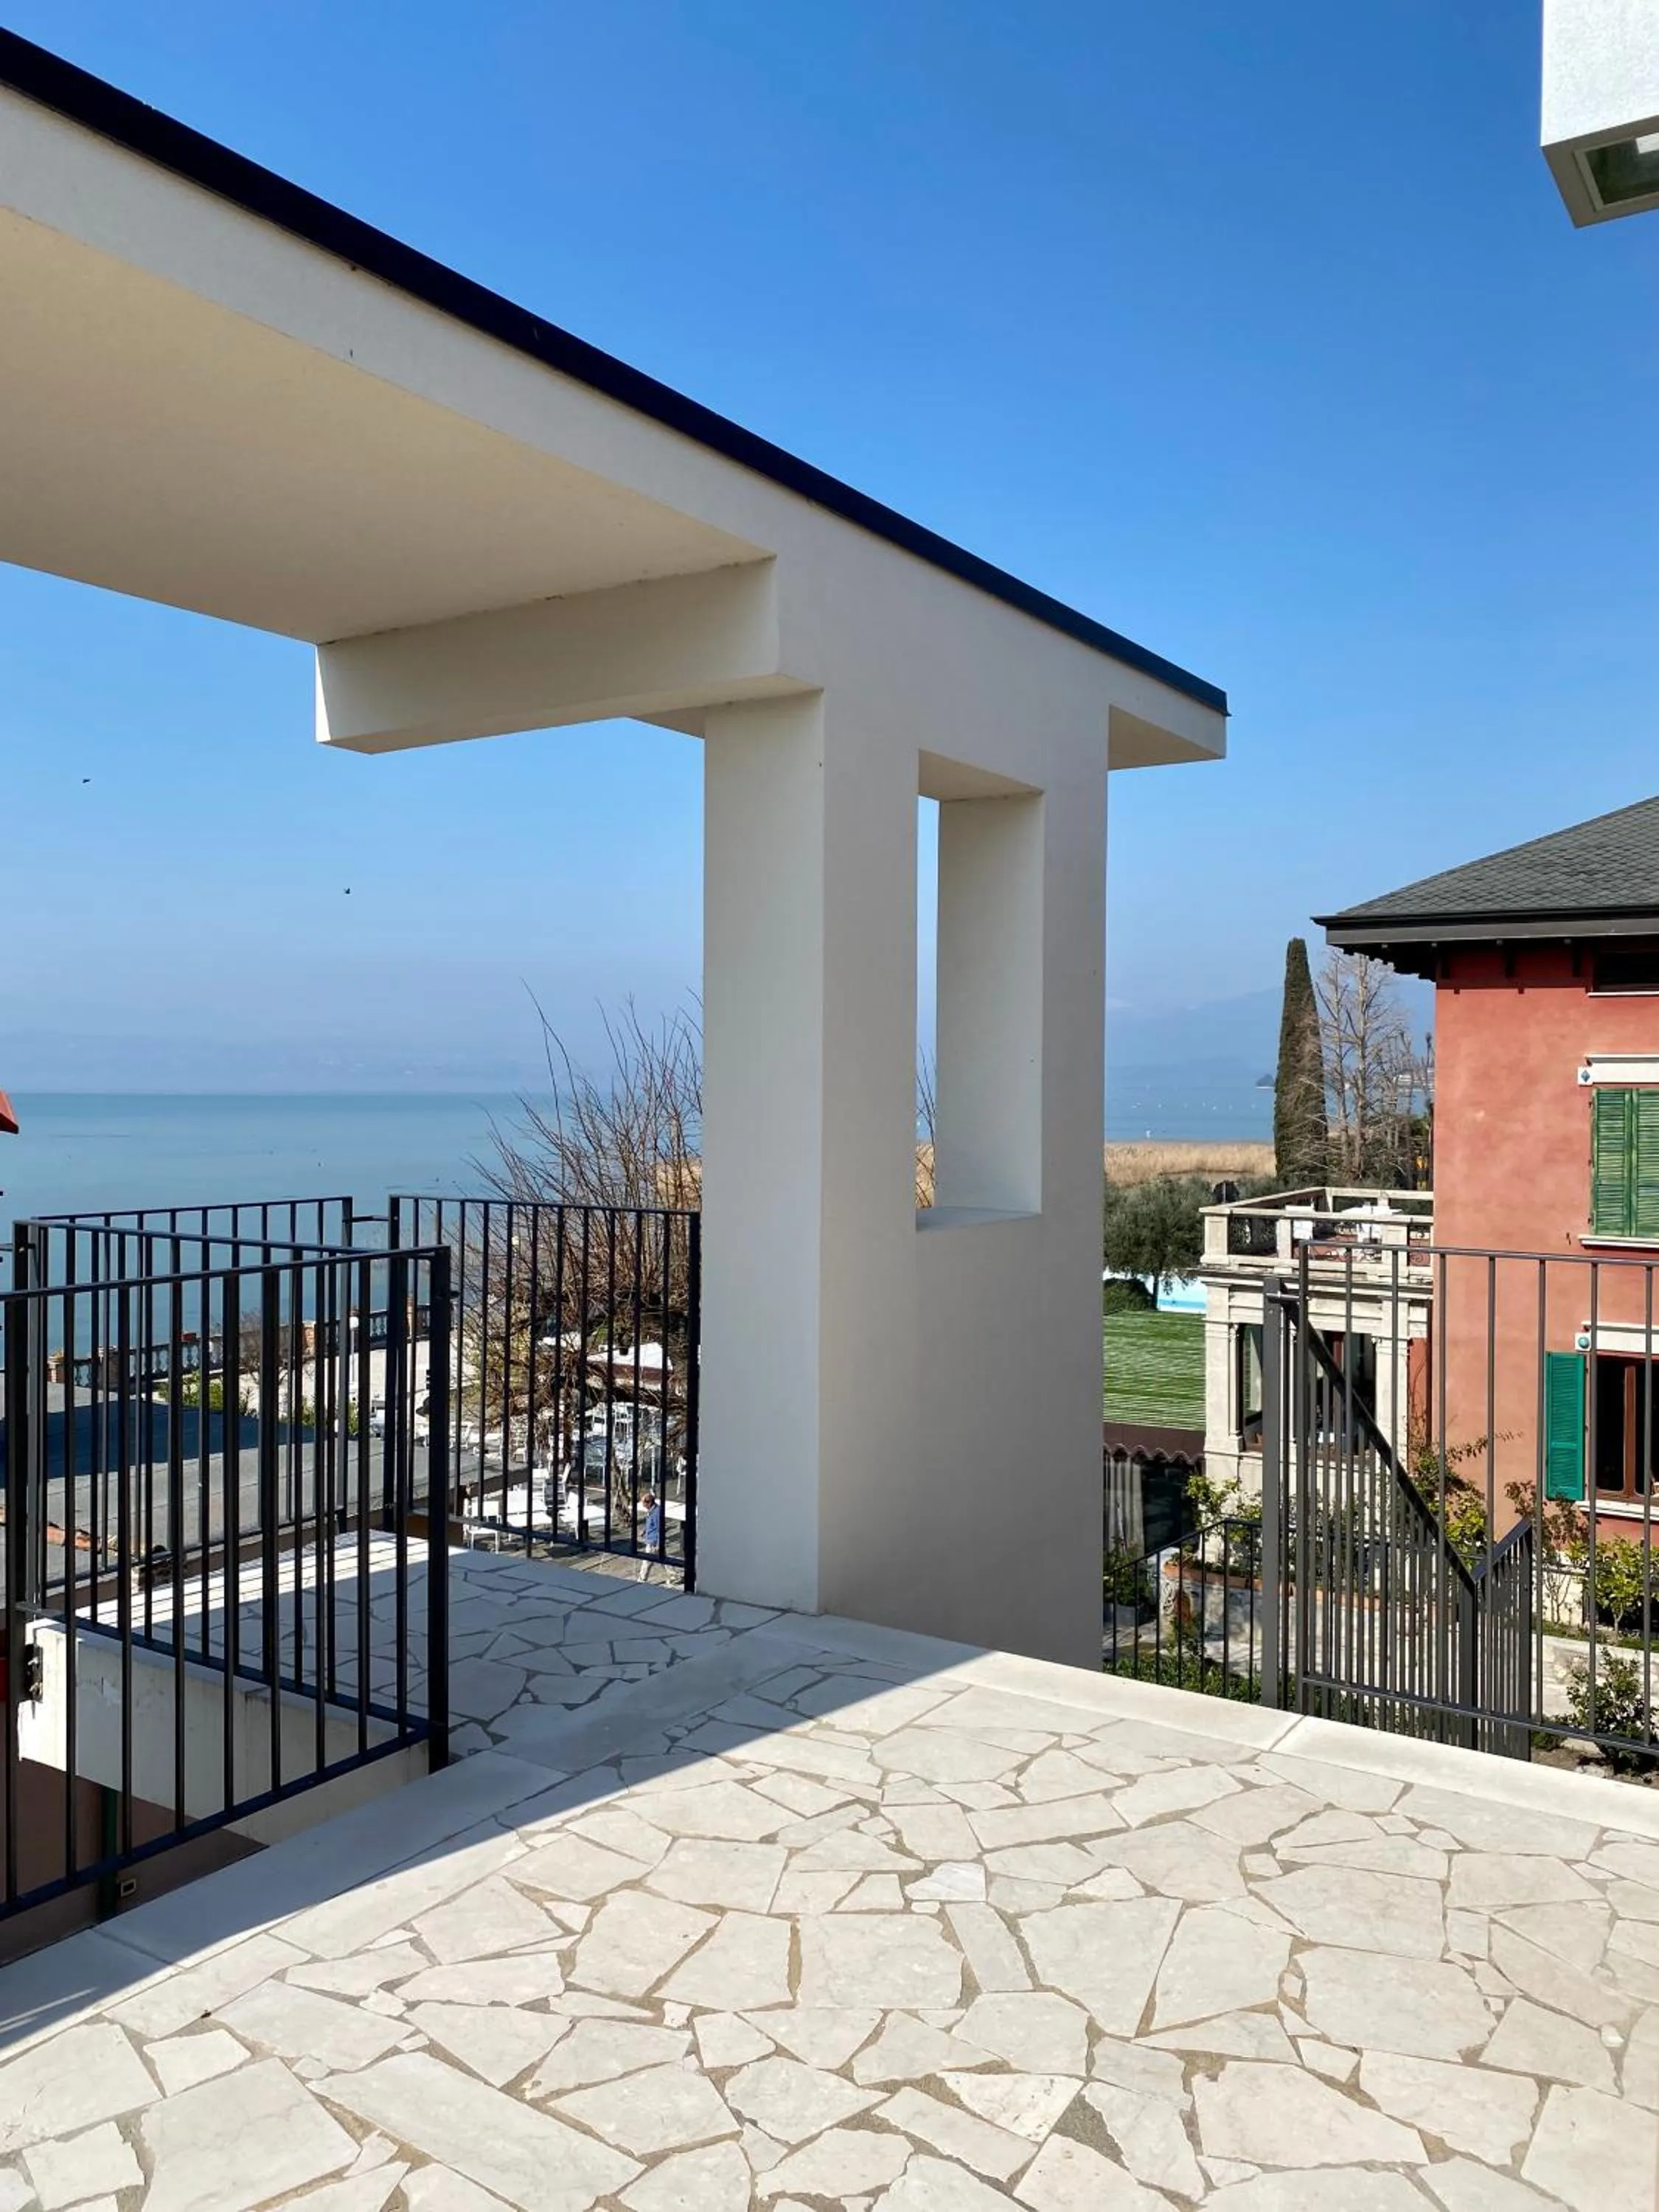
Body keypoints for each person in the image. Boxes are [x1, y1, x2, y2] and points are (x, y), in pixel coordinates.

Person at [639, 1490, 662, 1581]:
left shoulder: (657, 1513)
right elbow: (650, 1524)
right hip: (651, 1539)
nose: (642, 1505)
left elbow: (660, 1529)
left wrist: (658, 1544)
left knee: (646, 1561)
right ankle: (674, 1576)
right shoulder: (651, 1510)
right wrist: (644, 1531)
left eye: (643, 1502)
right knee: (664, 1561)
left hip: (654, 1541)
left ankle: (641, 1580)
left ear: (649, 1503)